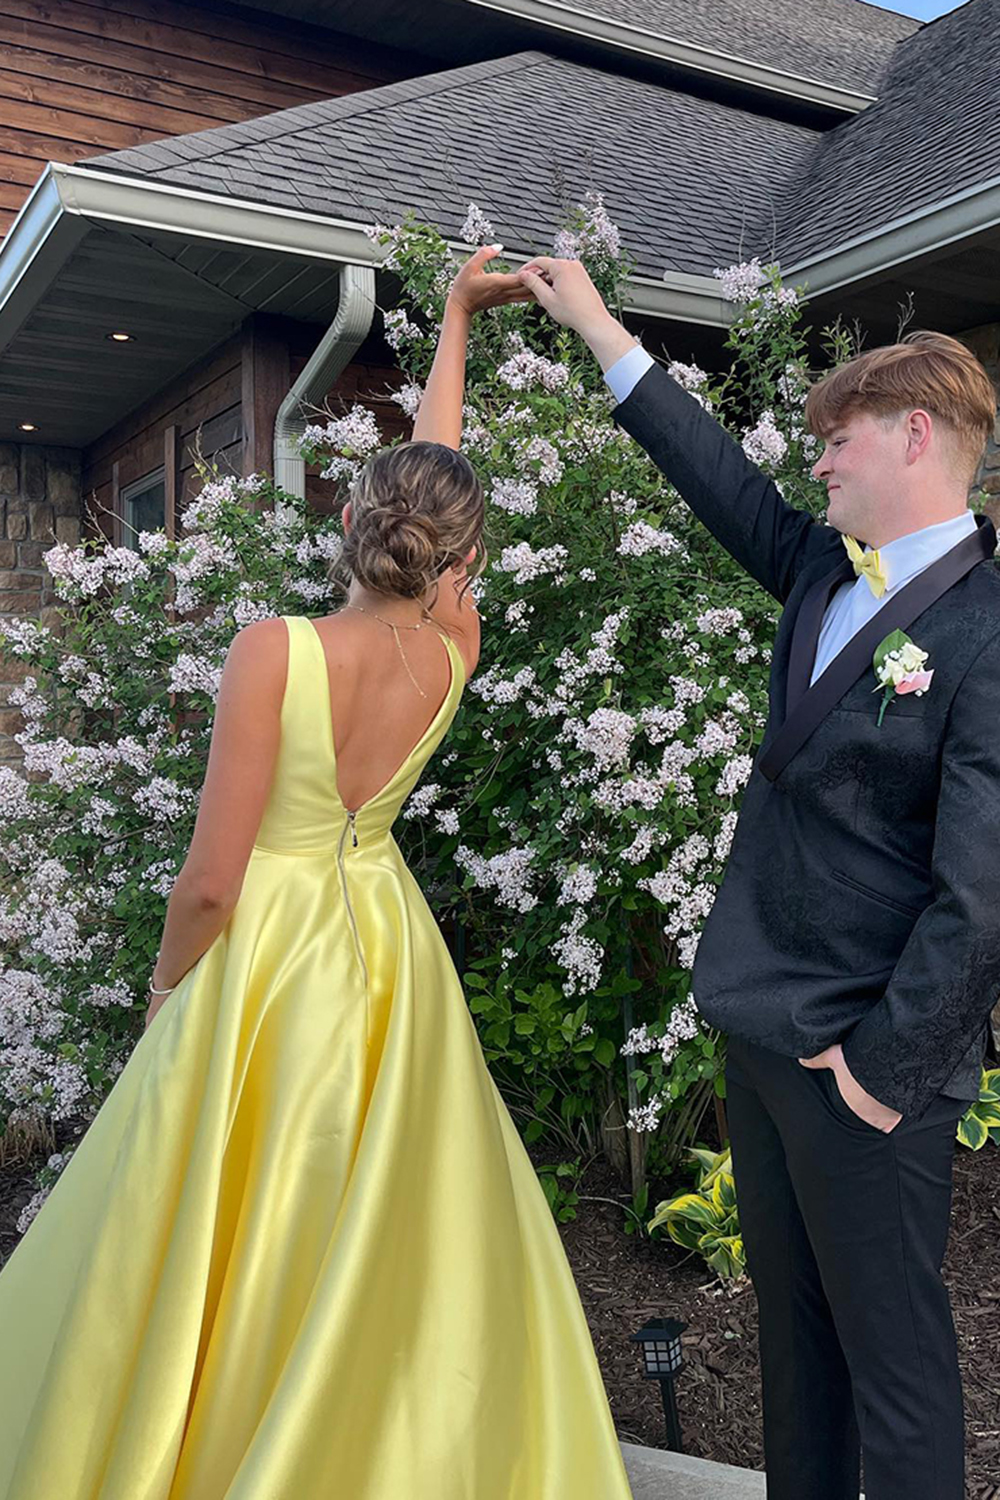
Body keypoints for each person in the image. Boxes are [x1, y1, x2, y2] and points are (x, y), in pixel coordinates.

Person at [0, 247, 634, 1500]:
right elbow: (444, 479)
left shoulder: (270, 650)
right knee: (366, 1224)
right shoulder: (454, 650)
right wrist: (451, 321)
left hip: (267, 959)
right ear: (460, 557)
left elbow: (213, 880)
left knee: (214, 1226)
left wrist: (169, 992)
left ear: (350, 522)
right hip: (383, 951)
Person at [517, 254, 1000, 1500]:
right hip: (761, 1034)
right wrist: (596, 327)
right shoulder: (820, 571)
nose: (819, 466)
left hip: (868, 1062)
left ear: (914, 434)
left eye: (837, 444)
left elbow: (980, 891)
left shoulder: (988, 635)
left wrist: (884, 1074)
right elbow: (713, 475)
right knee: (796, 1357)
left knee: (894, 1369)